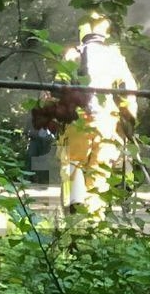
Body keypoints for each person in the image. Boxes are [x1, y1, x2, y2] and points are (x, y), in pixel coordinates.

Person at [57, 13, 138, 214]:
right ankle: (94, 221)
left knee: (73, 165)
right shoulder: (115, 57)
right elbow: (128, 92)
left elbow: (57, 88)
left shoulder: (72, 54)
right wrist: (129, 120)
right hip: (106, 123)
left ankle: (73, 213)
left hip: (76, 122)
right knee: (99, 171)